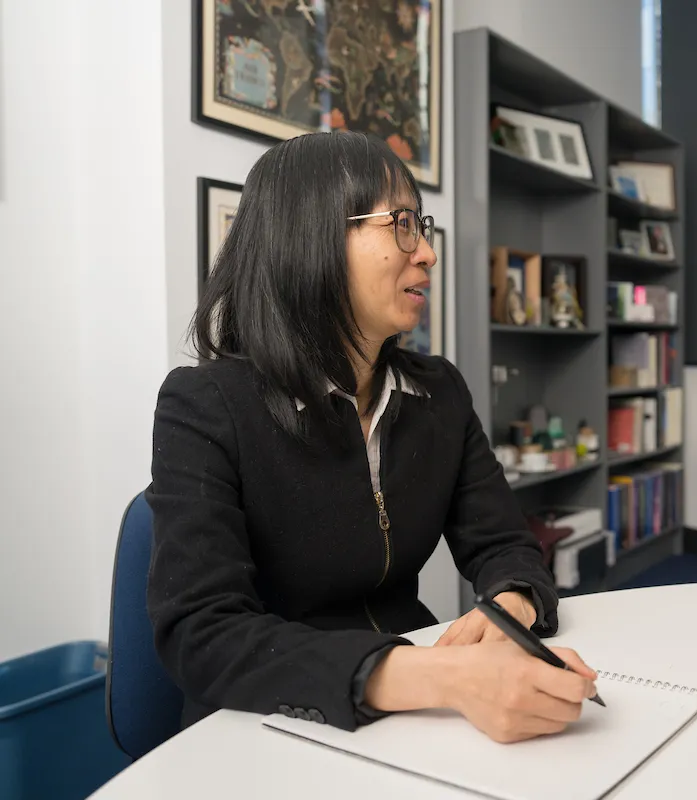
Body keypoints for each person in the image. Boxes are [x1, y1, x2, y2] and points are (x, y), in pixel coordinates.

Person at [146, 131, 597, 744]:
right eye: (402, 224)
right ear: (311, 239)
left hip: (412, 710)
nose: (428, 254)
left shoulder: (438, 394)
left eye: (422, 226)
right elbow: (202, 634)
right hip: (266, 724)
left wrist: (511, 604)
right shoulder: (205, 406)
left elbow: (505, 544)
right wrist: (441, 677)